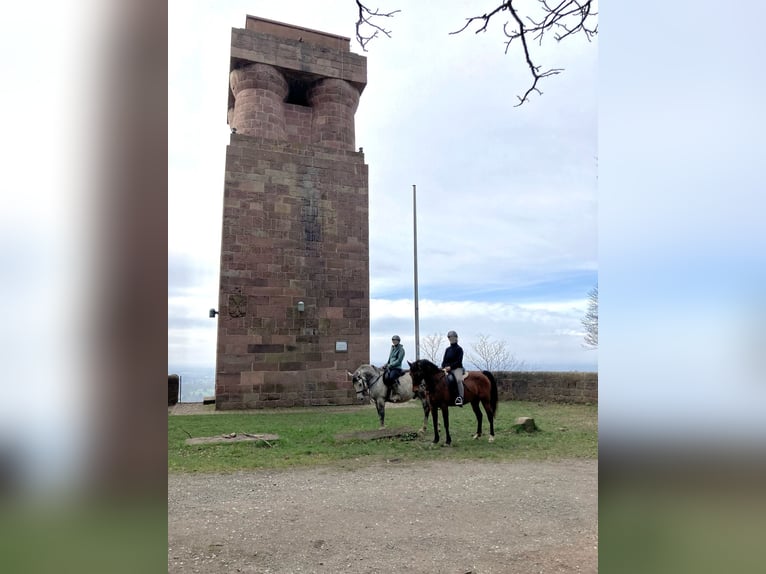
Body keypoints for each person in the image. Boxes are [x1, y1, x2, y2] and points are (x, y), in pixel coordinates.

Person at [441, 330, 465, 406]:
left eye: (452, 337)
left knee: (458, 380)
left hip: (457, 368)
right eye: (449, 337)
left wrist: (450, 367)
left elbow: (458, 362)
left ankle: (460, 398)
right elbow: (444, 360)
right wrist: (443, 367)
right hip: (446, 369)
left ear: (456, 338)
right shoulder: (447, 349)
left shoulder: (459, 349)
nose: (450, 338)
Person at [383, 335, 405, 399]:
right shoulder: (392, 348)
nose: (394, 341)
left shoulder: (401, 350)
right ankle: (387, 393)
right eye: (393, 340)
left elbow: (399, 360)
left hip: (397, 368)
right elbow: (389, 359)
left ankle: (397, 393)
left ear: (398, 341)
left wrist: (390, 365)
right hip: (390, 367)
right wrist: (385, 364)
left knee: (392, 377)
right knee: (384, 376)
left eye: (395, 340)